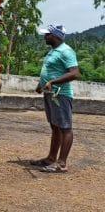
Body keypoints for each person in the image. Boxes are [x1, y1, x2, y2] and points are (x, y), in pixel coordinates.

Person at [30, 24, 80, 173]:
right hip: (50, 94)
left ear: (56, 36)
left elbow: (74, 73)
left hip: (61, 94)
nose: (45, 37)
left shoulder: (66, 51)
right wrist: (41, 85)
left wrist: (53, 82)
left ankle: (61, 163)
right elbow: (49, 71)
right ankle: (51, 158)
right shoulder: (53, 51)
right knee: (55, 126)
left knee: (65, 128)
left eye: (48, 34)